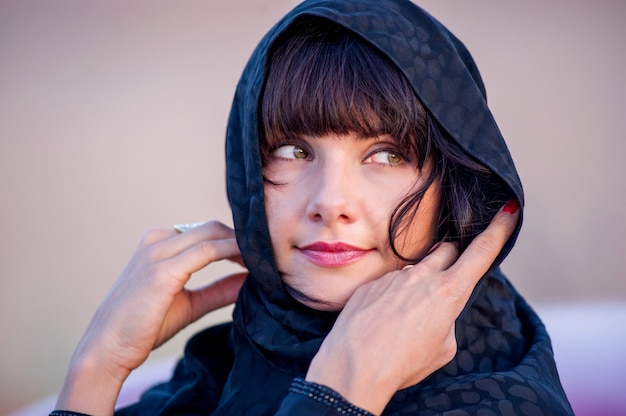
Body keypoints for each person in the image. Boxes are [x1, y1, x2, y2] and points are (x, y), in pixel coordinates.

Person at [52, 0, 573, 415]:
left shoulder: (498, 402)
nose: (329, 203)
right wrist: (98, 367)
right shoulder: (218, 370)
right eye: (294, 151)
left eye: (387, 154)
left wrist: (338, 395)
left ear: (455, 184)